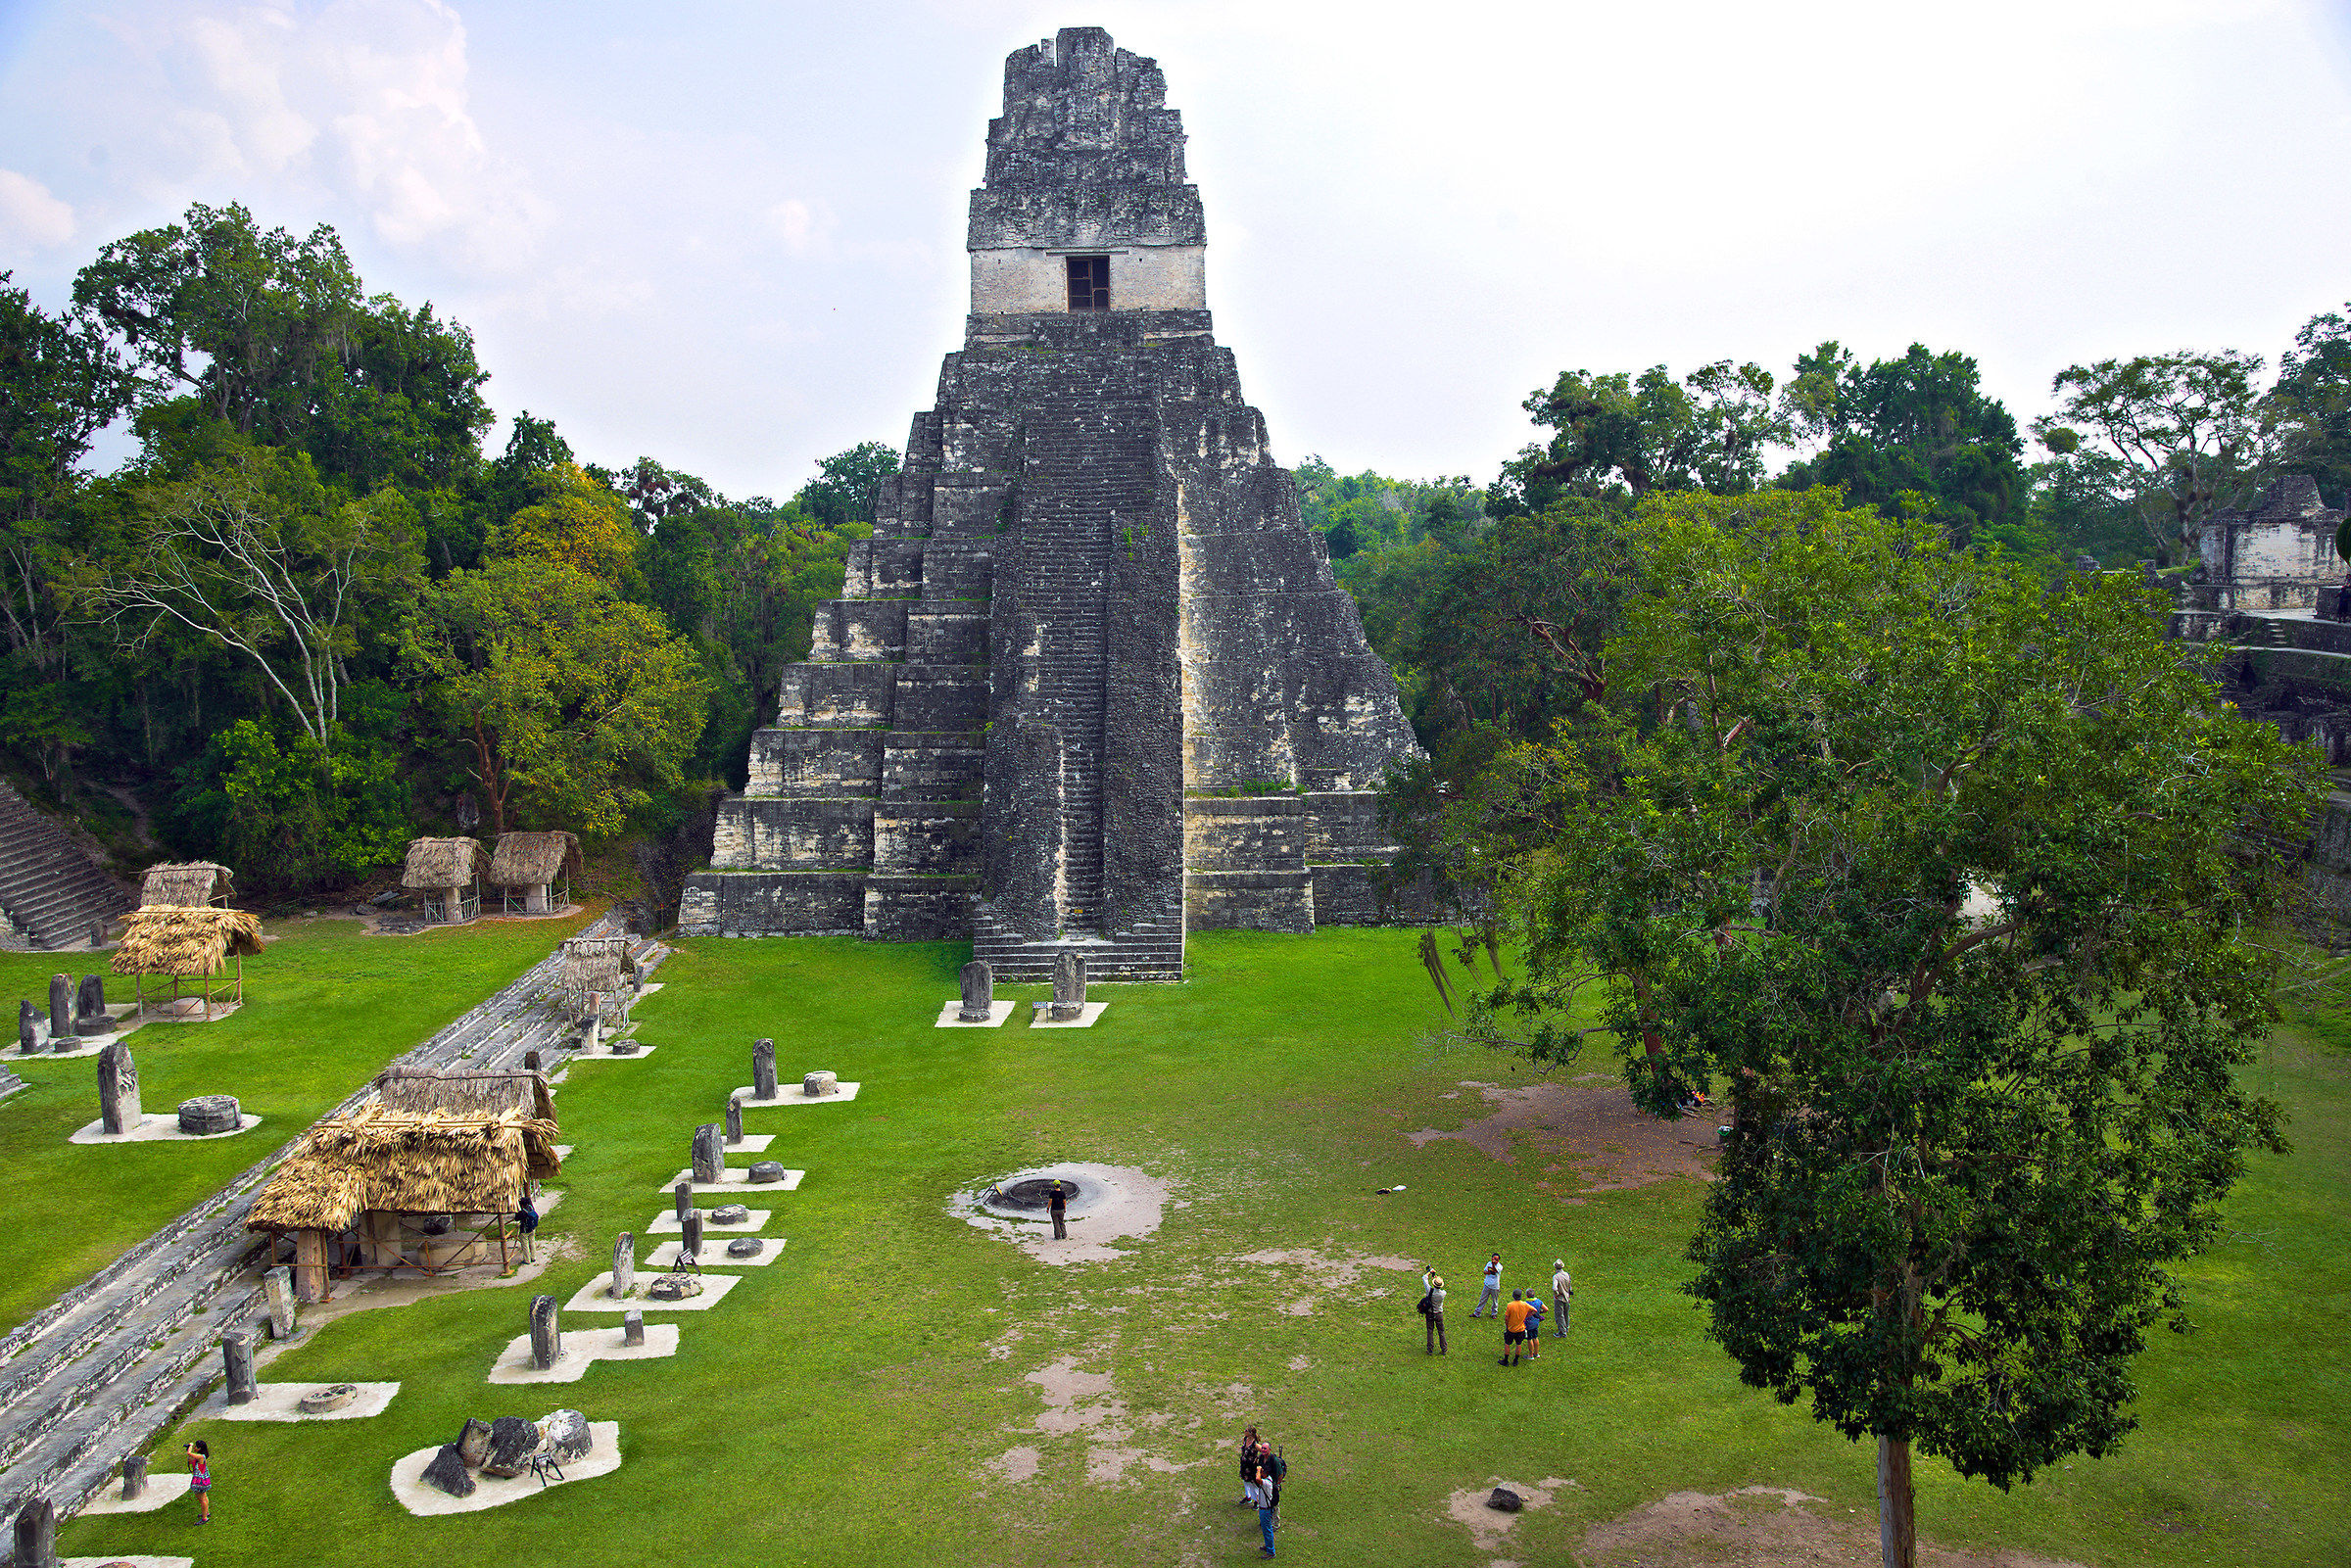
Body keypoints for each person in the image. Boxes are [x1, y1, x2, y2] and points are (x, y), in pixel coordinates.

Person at [1245, 1455, 1277, 1556]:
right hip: (1265, 1508)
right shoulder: (1269, 1480)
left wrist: (1258, 1470)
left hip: (1265, 1510)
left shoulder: (1266, 1483)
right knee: (1267, 1529)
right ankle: (1268, 1546)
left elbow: (1257, 1479)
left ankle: (1271, 1552)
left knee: (1267, 1530)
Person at [1500, 1288, 1532, 1366]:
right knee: (1519, 1344)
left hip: (1511, 1329)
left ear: (1513, 1296)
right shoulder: (1524, 1304)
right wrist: (1526, 1316)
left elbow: (1506, 1317)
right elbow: (1534, 1310)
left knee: (1507, 1344)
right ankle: (1515, 1361)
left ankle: (1506, 1360)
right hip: (1521, 1329)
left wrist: (1507, 1325)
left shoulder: (1510, 1305)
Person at [1236, 1425, 1264, 1505]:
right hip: (1245, 1465)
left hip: (1252, 1467)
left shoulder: (1255, 1444)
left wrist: (1258, 1458)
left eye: (1246, 1430)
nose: (1244, 1431)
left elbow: (1264, 1452)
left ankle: (1257, 1501)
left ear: (1250, 1433)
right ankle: (1248, 1496)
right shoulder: (1245, 1439)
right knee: (1245, 1481)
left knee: (1253, 1483)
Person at [185, 1440, 211, 1524]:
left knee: (201, 1499)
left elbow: (189, 1454)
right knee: (204, 1497)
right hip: (203, 1480)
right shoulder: (201, 1456)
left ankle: (204, 1518)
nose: (195, 1448)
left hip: (200, 1482)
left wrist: (190, 1446)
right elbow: (191, 1460)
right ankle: (206, 1512)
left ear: (199, 1448)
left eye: (196, 1447)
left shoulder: (200, 1457)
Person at [1423, 1272, 1448, 1354]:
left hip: (1430, 1313)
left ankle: (1430, 1349)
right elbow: (1441, 1289)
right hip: (1439, 1314)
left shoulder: (1430, 1291)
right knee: (1441, 1331)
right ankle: (1444, 1348)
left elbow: (1424, 1278)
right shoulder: (1443, 1293)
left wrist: (1430, 1272)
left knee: (1430, 1330)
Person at [1471, 1253, 1502, 1318]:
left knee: (1495, 1301)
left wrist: (1493, 1265)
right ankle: (1477, 1313)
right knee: (1482, 1299)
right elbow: (1485, 1271)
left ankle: (1494, 1313)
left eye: (1496, 1260)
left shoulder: (1499, 1266)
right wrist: (1488, 1272)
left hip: (1495, 1287)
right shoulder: (1489, 1264)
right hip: (1487, 1285)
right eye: (1494, 1259)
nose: (1495, 1261)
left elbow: (1495, 1270)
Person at [1552, 1258, 1572, 1339]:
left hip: (1560, 1298)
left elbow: (1554, 1288)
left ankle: (1562, 1332)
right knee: (1566, 1313)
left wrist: (1556, 1294)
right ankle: (1566, 1328)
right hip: (1567, 1297)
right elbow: (1570, 1286)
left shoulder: (1556, 1277)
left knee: (1559, 1315)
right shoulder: (1567, 1274)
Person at [1522, 1292, 1545, 1357]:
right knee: (1535, 1337)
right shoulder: (1539, 1301)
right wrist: (1540, 1312)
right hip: (1536, 1322)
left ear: (1527, 1295)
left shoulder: (1526, 1303)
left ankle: (1530, 1355)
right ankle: (1536, 1353)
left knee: (1529, 1338)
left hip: (1529, 1323)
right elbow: (1546, 1309)